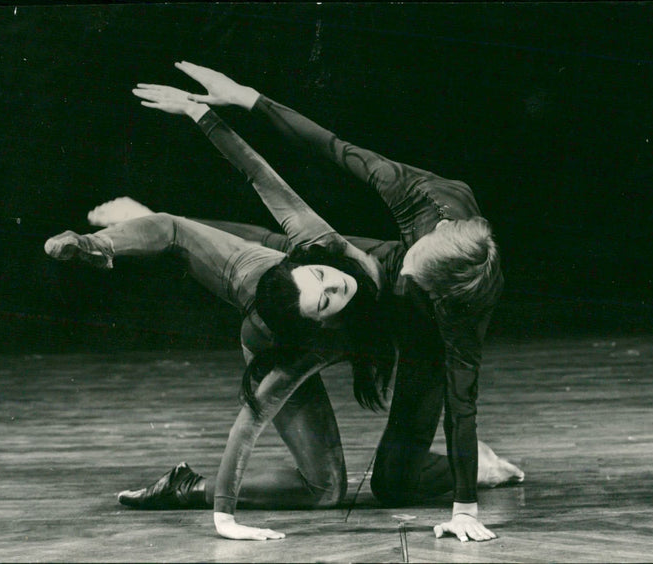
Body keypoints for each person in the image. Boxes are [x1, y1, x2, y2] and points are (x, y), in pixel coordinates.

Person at [171, 63, 509, 543]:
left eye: (415, 281)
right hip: (372, 274)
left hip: (424, 343)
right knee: (310, 252)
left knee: (394, 486)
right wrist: (249, 100)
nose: (405, 277)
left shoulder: (460, 316)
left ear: (439, 293)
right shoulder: (420, 198)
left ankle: (478, 466)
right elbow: (330, 150)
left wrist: (464, 508)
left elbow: (463, 404)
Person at [45, 96, 396, 541]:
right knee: (325, 491)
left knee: (187, 230)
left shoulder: (325, 251)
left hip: (268, 266)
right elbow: (248, 424)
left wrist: (200, 114)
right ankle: (97, 245)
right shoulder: (310, 346)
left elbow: (260, 175)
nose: (336, 286)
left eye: (324, 280)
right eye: (325, 300)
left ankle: (129, 229)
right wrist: (224, 518)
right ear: (322, 323)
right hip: (269, 320)